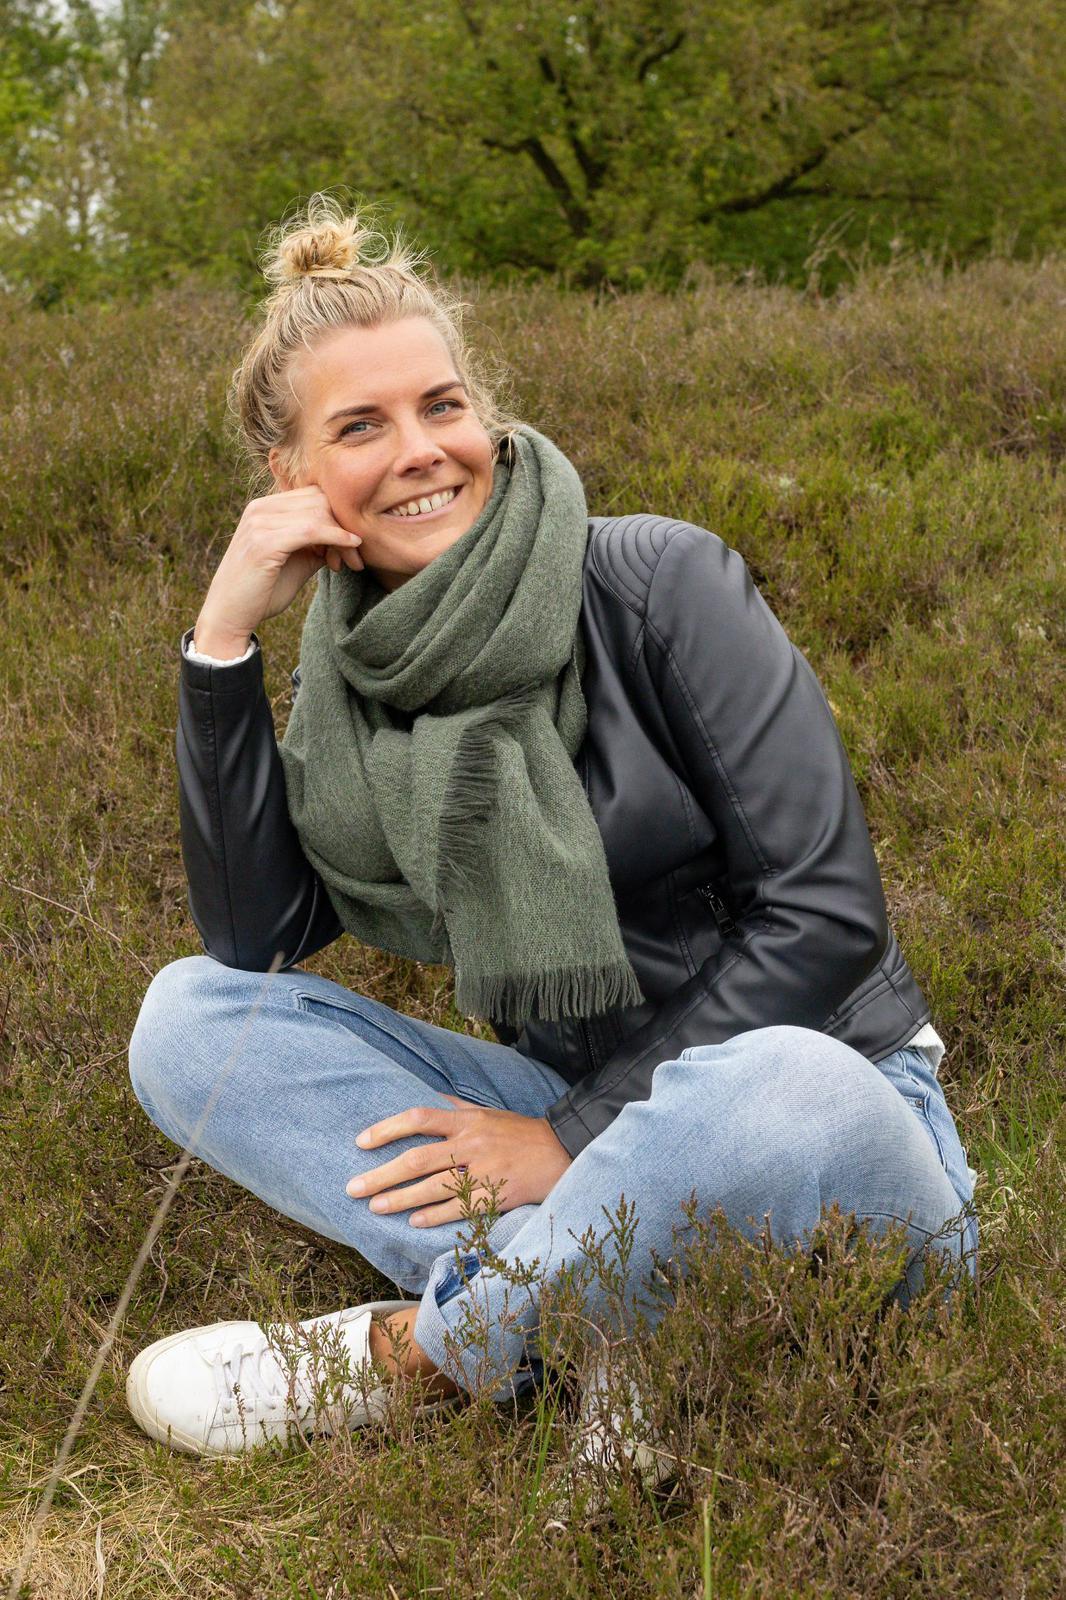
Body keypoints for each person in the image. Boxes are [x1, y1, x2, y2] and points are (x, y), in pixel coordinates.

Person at [125, 194, 977, 1461]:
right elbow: (260, 938)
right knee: (189, 1020)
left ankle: (420, 1357)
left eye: (442, 405)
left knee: (779, 1078)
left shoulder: (658, 581)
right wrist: (223, 641)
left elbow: (828, 916)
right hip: (574, 1110)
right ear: (293, 481)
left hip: (828, 1127)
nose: (421, 450)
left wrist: (568, 1140)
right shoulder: (358, 672)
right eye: (360, 426)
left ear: (485, 415)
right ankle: (602, 1313)